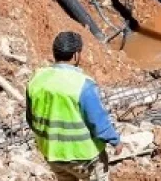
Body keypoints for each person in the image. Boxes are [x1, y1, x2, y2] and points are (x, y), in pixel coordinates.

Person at [27, 32, 123, 181]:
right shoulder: (83, 84)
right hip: (84, 156)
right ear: (76, 55)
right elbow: (97, 121)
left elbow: (30, 118)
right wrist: (114, 140)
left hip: (53, 154)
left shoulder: (37, 79)